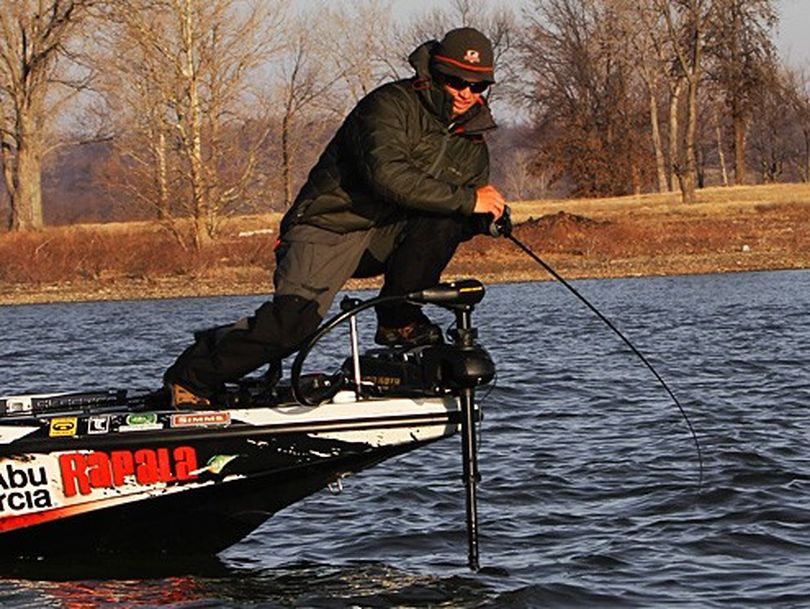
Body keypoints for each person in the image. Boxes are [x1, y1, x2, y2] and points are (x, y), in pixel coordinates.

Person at [164, 27, 507, 408]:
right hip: (328, 225)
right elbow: (387, 177)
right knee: (291, 328)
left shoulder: (473, 144)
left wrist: (489, 218)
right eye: (454, 81)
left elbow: (463, 205)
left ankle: (398, 320)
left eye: (478, 86)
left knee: (449, 219)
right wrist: (466, 201)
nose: (465, 93)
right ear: (433, 73)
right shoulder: (389, 105)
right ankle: (192, 377)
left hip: (383, 236)